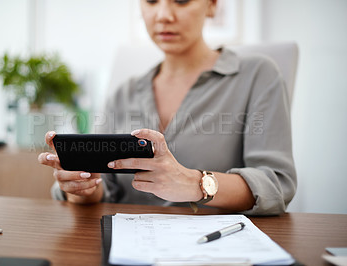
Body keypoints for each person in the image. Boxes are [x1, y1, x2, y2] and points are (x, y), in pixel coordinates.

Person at [38, 0, 296, 215]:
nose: (163, 15)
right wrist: (84, 188)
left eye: (181, 0)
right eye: (151, 1)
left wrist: (196, 183)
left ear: (212, 5)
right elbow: (107, 188)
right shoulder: (123, 92)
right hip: (128, 245)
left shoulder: (257, 75)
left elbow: (276, 183)